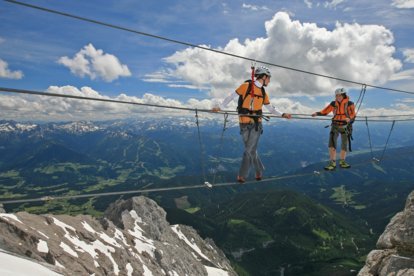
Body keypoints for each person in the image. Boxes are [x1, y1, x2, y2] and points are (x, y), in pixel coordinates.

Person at [212, 66, 291, 183]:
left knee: (248, 150)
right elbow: (231, 97)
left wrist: (282, 114)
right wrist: (220, 107)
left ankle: (242, 175)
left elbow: (271, 108)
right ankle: (259, 170)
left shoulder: (263, 92)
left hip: (256, 124)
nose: (269, 81)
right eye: (269, 78)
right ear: (263, 77)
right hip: (243, 123)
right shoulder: (246, 86)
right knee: (252, 150)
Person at [311, 88, 356, 171]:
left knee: (344, 144)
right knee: (331, 144)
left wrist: (349, 119)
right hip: (335, 125)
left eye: (339, 95)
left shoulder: (350, 104)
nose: (338, 97)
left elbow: (353, 115)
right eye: (337, 95)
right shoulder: (333, 103)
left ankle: (342, 162)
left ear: (344, 95)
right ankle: (332, 163)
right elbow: (325, 111)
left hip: (346, 126)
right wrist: (317, 113)